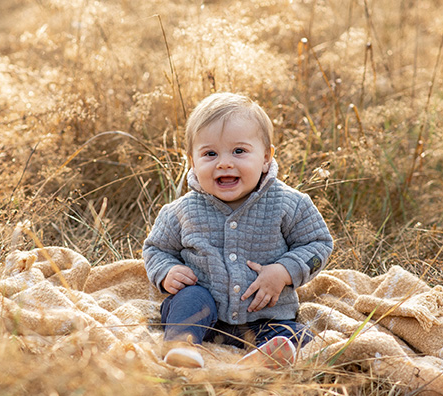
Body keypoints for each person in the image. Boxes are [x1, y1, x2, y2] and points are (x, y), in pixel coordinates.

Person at [143, 92, 333, 369]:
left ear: (266, 158)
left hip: (265, 317)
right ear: (192, 162)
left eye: (239, 151)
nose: (224, 163)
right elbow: (156, 248)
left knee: (297, 335)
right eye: (210, 154)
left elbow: (318, 244)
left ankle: (263, 358)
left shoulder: (290, 203)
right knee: (191, 299)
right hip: (204, 319)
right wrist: (166, 272)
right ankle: (182, 345)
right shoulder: (181, 211)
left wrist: (284, 271)